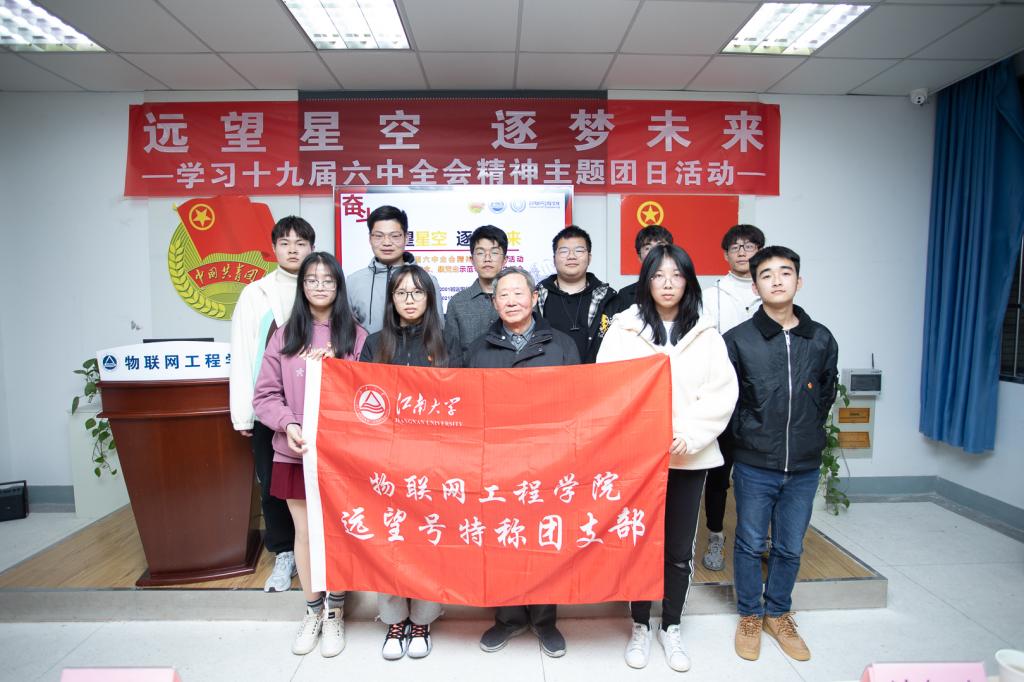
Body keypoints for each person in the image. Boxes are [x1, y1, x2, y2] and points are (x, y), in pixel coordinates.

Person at [597, 244, 738, 673]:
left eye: (677, 275)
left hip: (687, 458)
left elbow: (721, 394)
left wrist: (689, 435)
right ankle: (640, 624)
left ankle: (671, 625)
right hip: (637, 460)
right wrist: (639, 435)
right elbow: (608, 387)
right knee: (640, 544)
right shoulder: (624, 329)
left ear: (688, 282)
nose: (668, 284)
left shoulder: (707, 334)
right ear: (646, 282)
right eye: (658, 275)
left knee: (678, 549)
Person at [724, 245, 838, 663]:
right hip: (756, 462)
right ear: (755, 287)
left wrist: (806, 431)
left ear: (799, 281)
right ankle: (750, 615)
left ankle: (779, 613)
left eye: (785, 273)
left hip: (804, 464)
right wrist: (748, 436)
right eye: (767, 274)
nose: (777, 280)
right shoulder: (738, 340)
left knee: (790, 546)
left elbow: (826, 391)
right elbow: (729, 400)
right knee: (750, 542)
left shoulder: (820, 338)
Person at [253, 252, 368, 658]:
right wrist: (288, 424)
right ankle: (313, 610)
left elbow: (369, 397)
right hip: (294, 451)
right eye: (312, 280)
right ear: (302, 286)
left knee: (336, 531)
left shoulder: (356, 337)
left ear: (339, 287)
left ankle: (336, 611)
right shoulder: (284, 335)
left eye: (328, 280)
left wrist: (339, 368)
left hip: (341, 455)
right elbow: (264, 396)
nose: (320, 287)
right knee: (304, 532)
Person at [468, 266, 579, 658]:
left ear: (534, 298)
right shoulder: (479, 350)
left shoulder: (561, 345)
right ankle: (509, 617)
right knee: (504, 539)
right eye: (504, 295)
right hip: (498, 465)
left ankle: (545, 620)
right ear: (494, 303)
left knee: (545, 539)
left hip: (549, 462)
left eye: (519, 293)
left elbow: (578, 403)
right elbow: (471, 409)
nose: (512, 301)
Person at [359, 263, 451, 660]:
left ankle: (424, 619)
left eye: (417, 292)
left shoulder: (447, 343)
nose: (409, 300)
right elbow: (361, 402)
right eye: (401, 293)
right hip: (388, 462)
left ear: (429, 298)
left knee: (428, 541)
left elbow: (461, 402)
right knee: (391, 541)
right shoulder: (374, 344)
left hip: (435, 463)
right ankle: (395, 619)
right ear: (391, 299)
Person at [229, 215, 314, 593]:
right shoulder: (255, 294)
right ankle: (284, 551)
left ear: (312, 248)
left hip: (317, 409)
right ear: (274, 248)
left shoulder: (323, 285)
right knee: (274, 484)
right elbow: (243, 351)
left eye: (300, 243)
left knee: (316, 484)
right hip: (271, 409)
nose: (293, 250)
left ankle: (317, 549)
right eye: (285, 243)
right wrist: (243, 413)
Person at [699, 223, 766, 572]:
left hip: (763, 399)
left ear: (760, 251)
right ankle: (715, 534)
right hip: (723, 396)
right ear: (725, 254)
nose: (742, 251)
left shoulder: (771, 290)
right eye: (735, 246)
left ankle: (759, 537)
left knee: (761, 472)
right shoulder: (711, 295)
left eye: (749, 245)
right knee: (718, 471)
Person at [346, 204, 442, 334]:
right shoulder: (353, 281)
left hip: (416, 348)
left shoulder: (427, 280)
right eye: (379, 236)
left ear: (406, 238)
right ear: (370, 238)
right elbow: (347, 331)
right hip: (368, 348)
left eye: (395, 236)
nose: (387, 243)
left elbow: (438, 328)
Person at [536, 225, 616, 363]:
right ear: (554, 258)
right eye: (564, 251)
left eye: (579, 250)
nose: (571, 256)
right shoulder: (536, 298)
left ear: (589, 258)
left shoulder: (609, 298)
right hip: (549, 374)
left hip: (597, 374)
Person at [443, 225, 508, 364]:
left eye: (494, 252)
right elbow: (453, 356)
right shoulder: (457, 303)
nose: (487, 258)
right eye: (480, 253)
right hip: (469, 375)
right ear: (471, 260)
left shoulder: (518, 300)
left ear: (505, 260)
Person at [605, 224, 674, 317]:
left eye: (660, 246)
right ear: (639, 257)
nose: (654, 252)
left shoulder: (682, 289)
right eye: (648, 248)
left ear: (671, 252)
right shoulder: (625, 295)